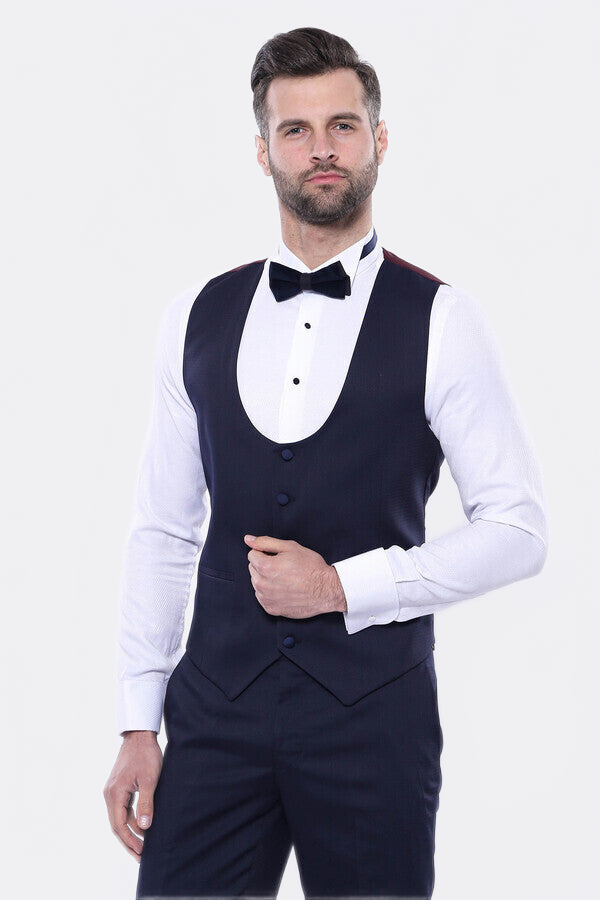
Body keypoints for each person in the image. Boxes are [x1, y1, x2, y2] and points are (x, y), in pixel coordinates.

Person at [104, 26, 547, 900]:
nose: (322, 150)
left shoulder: (443, 320)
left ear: (378, 139)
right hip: (215, 714)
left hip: (373, 724)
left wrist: (346, 586)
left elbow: (519, 529)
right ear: (262, 151)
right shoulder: (195, 316)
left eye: (342, 126)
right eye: (296, 130)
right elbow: (163, 529)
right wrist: (137, 722)